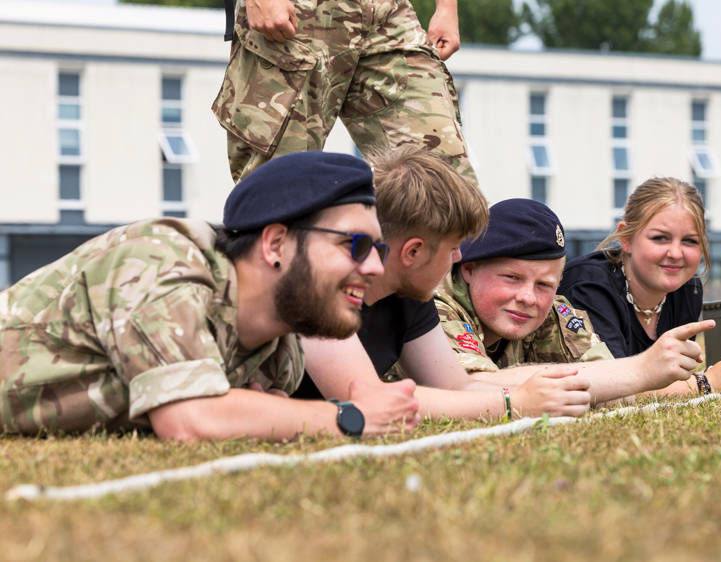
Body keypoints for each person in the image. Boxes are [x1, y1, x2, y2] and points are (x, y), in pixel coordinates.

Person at [0, 152, 419, 440]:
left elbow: (225, 419)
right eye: (355, 245)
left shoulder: (279, 355)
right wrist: (351, 417)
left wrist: (259, 416)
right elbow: (189, 420)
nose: (375, 268)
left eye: (378, 250)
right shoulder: (159, 262)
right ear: (275, 245)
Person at [298, 148, 592, 419]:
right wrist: (513, 403)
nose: (458, 257)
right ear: (413, 252)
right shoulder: (320, 287)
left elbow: (455, 387)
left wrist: (524, 397)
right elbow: (369, 400)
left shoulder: (408, 294)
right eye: (452, 248)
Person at [434, 198, 718, 404]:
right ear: (469, 269)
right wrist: (644, 370)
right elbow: (465, 385)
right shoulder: (436, 305)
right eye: (511, 277)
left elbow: (608, 381)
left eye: (545, 284)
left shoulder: (554, 311)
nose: (528, 298)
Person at [212, 0, 474, 185]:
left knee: (445, 187)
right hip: (297, 13)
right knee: (282, 193)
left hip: (388, 14)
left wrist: (447, 7)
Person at [559, 177, 721, 395]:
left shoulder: (688, 289)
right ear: (627, 239)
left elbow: (667, 380)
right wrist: (708, 383)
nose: (676, 254)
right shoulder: (588, 288)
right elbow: (606, 389)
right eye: (660, 238)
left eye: (690, 241)